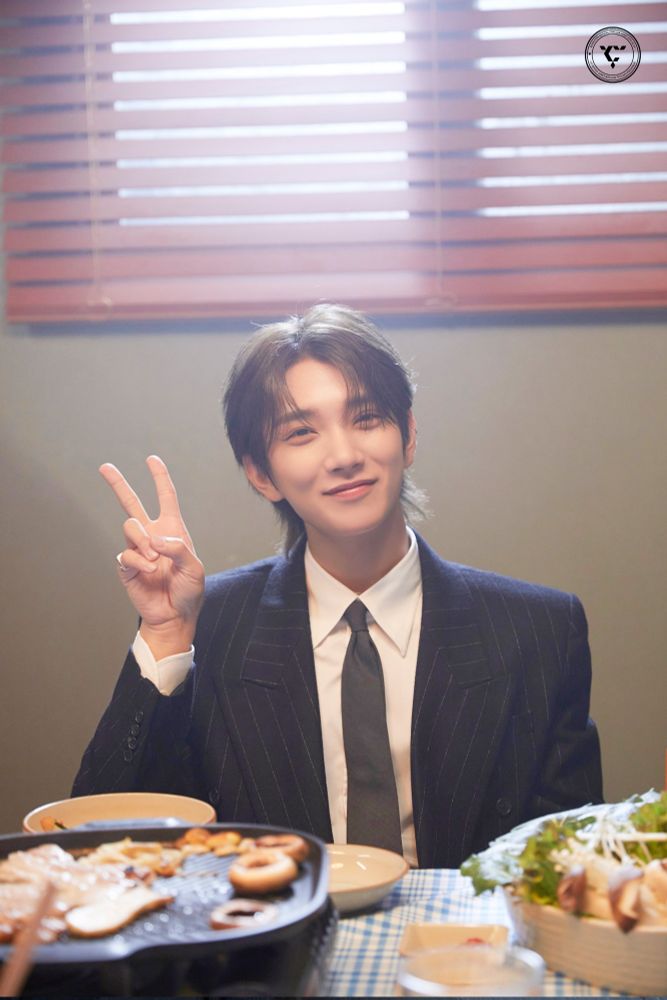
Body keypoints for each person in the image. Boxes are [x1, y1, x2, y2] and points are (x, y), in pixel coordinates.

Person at [72, 303, 603, 868]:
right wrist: (166, 634)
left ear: (409, 435)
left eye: (367, 419)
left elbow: (568, 867)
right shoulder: (209, 625)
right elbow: (101, 851)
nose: (345, 456)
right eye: (301, 432)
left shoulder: (539, 631)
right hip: (277, 923)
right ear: (261, 474)